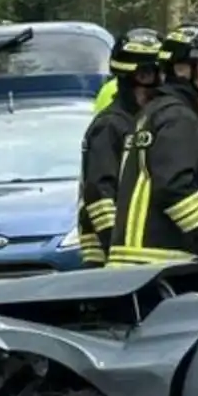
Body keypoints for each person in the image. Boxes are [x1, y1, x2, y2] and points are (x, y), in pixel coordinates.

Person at [108, 23, 198, 266]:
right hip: (160, 260)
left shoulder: (152, 111)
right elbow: (174, 185)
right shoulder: (178, 115)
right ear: (181, 68)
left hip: (134, 259)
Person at [78, 27, 163, 268]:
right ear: (135, 78)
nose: (159, 86)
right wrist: (115, 243)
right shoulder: (110, 126)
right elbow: (98, 194)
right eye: (151, 76)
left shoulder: (142, 122)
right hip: (108, 258)